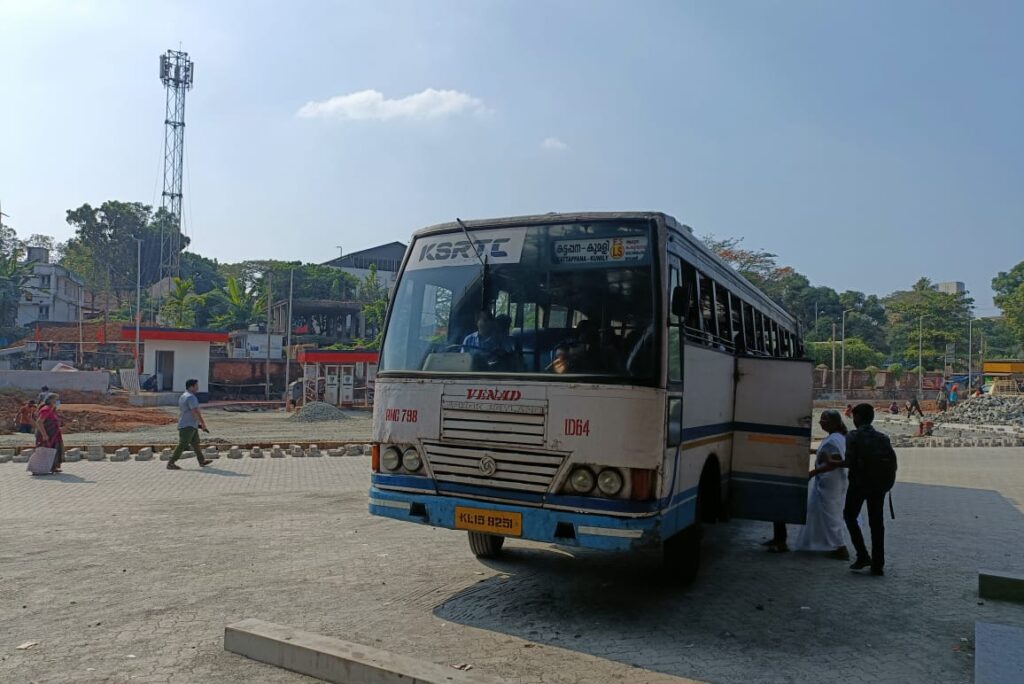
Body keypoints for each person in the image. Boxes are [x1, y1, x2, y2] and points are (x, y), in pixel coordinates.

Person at [842, 403, 898, 576]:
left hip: (859, 484)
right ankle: (878, 564)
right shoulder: (883, 437)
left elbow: (849, 462)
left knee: (850, 516)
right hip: (879, 485)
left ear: (857, 418)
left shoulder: (853, 436)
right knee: (877, 523)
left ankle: (862, 555)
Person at [792, 410, 850, 559]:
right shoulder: (837, 437)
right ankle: (828, 543)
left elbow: (834, 463)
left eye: (824, 420)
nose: (820, 422)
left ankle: (840, 547)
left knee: (829, 514)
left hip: (829, 483)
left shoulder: (833, 440)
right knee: (826, 513)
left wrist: (813, 473)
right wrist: (812, 451)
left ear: (833, 422)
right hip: (831, 482)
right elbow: (826, 454)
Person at [167, 379, 212, 470]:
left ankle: (201, 460)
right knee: (182, 444)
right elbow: (195, 411)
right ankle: (171, 463)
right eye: (196, 386)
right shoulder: (191, 397)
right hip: (188, 425)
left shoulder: (183, 395)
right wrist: (203, 424)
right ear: (191, 386)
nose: (198, 388)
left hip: (190, 424)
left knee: (195, 443)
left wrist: (197, 424)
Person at [34, 393, 64, 475]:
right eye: (55, 399)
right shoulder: (46, 409)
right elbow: (39, 422)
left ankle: (52, 467)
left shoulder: (51, 409)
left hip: (53, 435)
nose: (57, 401)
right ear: (50, 400)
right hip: (47, 435)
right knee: (45, 450)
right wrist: (44, 435)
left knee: (54, 449)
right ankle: (39, 468)